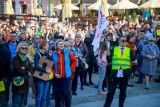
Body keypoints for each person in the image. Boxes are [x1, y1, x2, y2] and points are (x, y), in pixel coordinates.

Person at [104, 36, 137, 107]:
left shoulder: (129, 50)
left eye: (125, 40)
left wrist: (132, 72)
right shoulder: (114, 49)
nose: (125, 41)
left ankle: (121, 105)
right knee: (111, 91)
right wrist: (107, 55)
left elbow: (135, 62)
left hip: (125, 74)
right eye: (123, 40)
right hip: (115, 74)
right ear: (119, 42)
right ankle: (106, 106)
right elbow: (109, 60)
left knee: (123, 92)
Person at [52, 39, 77, 107]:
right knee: (57, 93)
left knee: (66, 92)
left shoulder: (68, 52)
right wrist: (55, 74)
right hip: (57, 76)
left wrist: (70, 69)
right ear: (56, 46)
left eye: (62, 44)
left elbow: (74, 61)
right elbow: (51, 66)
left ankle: (68, 105)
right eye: (60, 44)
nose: (61, 45)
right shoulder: (53, 53)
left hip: (66, 76)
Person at [12, 42, 33, 107]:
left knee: (23, 102)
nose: (24, 49)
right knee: (16, 102)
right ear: (19, 49)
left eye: (26, 48)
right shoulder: (16, 58)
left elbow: (31, 68)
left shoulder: (26, 58)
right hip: (18, 82)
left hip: (26, 83)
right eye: (23, 48)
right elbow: (18, 70)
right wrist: (27, 71)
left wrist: (25, 68)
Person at [34, 40, 51, 107]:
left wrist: (50, 56)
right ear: (43, 46)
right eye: (47, 46)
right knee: (39, 95)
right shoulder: (37, 54)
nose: (48, 47)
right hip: (40, 77)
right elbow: (36, 66)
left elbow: (51, 61)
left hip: (46, 77)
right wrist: (45, 70)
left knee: (44, 95)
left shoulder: (47, 54)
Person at [0, 36, 11, 107]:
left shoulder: (3, 51)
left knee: (2, 94)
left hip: (2, 78)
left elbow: (3, 66)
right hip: (3, 76)